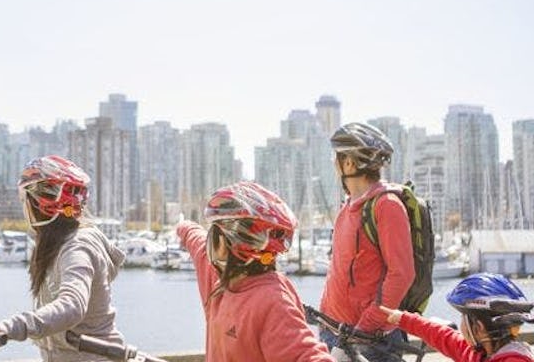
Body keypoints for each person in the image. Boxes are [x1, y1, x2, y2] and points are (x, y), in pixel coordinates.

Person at [0, 155, 126, 361]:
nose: (24, 208)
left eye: (24, 200)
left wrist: (6, 327)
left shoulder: (77, 247)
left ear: (39, 205)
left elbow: (72, 306)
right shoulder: (55, 246)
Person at [176, 181, 333, 362]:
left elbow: (307, 357)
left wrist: (183, 228)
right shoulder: (219, 283)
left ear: (225, 243)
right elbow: (195, 239)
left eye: (213, 231)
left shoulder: (272, 301)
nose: (208, 240)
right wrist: (183, 227)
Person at [318, 122, 415, 361]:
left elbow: (401, 274)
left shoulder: (387, 205)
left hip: (370, 340)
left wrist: (365, 327)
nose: (334, 163)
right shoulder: (348, 206)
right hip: (334, 332)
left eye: (337, 158)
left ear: (349, 163)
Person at [378, 273, 534, 362]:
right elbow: (443, 336)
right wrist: (402, 318)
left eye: (463, 318)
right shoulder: (477, 354)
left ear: (478, 327)